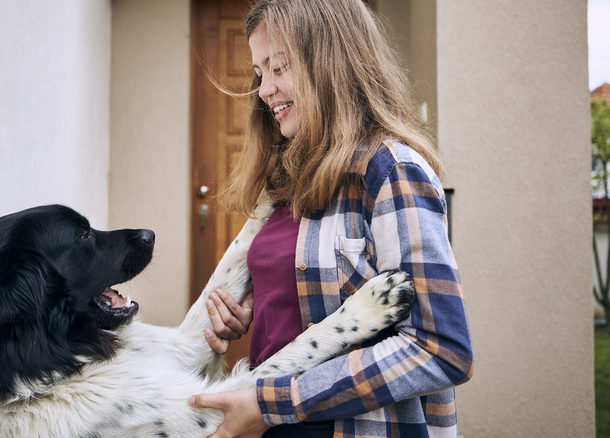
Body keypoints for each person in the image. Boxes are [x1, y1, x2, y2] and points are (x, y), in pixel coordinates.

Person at [187, 0, 474, 437]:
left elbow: (442, 349)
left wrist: (274, 404)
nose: (263, 90)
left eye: (278, 67)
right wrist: (258, 305)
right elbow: (306, 294)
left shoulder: (391, 170)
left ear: (331, 64)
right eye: (259, 73)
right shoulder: (287, 177)